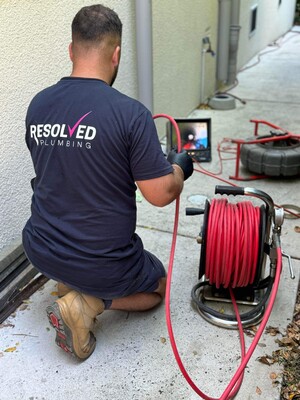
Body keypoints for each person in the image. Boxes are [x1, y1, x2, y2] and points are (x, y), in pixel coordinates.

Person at [23, 4, 193, 361]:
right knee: (157, 284)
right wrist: (178, 168)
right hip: (100, 261)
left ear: (71, 50)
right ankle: (88, 303)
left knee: (77, 258)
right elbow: (160, 194)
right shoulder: (129, 114)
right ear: (116, 54)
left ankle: (69, 283)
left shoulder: (38, 104)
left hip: (39, 248)